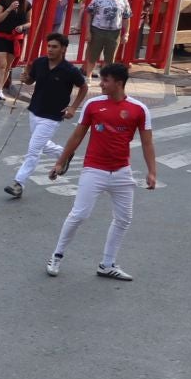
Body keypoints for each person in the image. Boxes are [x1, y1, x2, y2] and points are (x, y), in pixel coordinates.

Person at [46, 62, 156, 281]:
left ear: (119, 83)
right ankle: (56, 256)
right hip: (94, 170)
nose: (101, 84)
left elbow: (147, 143)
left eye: (105, 80)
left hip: (122, 172)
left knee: (124, 219)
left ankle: (107, 264)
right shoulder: (93, 105)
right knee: (79, 215)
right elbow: (77, 136)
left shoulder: (139, 109)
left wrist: (152, 172)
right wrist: (60, 162)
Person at [4, 32, 87, 197]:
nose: (50, 49)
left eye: (54, 47)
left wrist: (72, 107)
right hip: (35, 110)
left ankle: (19, 183)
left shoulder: (69, 70)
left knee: (33, 149)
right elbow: (30, 81)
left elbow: (84, 87)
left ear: (63, 49)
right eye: (49, 46)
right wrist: (26, 77)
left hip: (52, 116)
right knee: (41, 144)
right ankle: (65, 154)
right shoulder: (39, 62)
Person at [81, 0, 130, 81]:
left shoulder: (123, 0)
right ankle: (88, 76)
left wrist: (126, 33)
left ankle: (105, 79)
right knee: (92, 56)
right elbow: (89, 13)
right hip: (97, 30)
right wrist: (88, 31)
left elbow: (126, 17)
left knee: (110, 58)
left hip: (114, 32)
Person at [0, 0, 31, 102]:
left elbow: (29, 22)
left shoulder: (26, 5)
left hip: (15, 38)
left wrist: (23, 27)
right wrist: (9, 9)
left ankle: (0, 89)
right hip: (1, 36)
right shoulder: (3, 1)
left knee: (8, 66)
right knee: (1, 65)